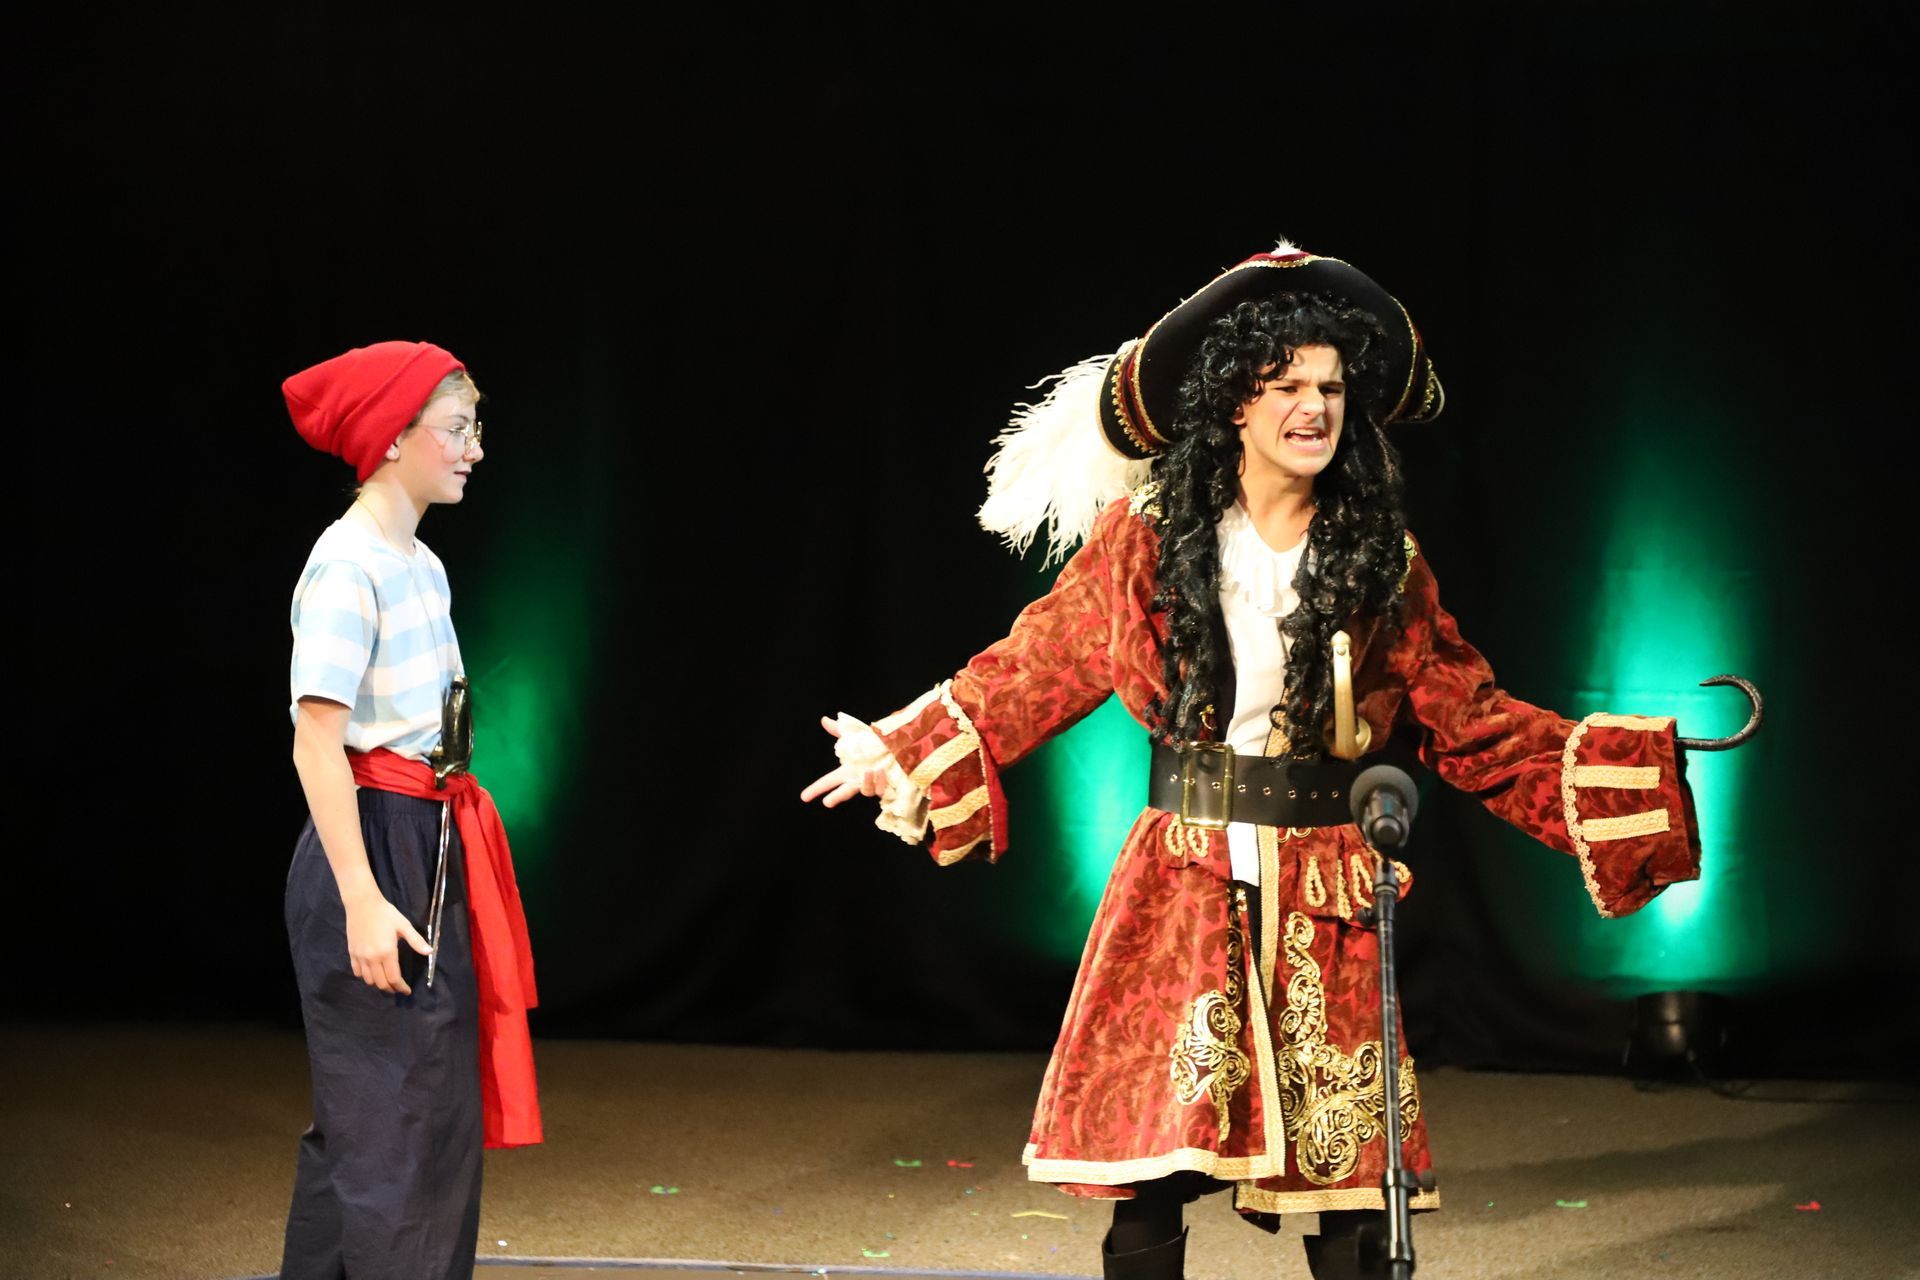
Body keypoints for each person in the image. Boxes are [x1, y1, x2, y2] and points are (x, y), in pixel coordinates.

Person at [802, 246, 1708, 1280]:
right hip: (1181, 883)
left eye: (1329, 386)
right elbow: (1037, 660)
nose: (1314, 407)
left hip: (1325, 886)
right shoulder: (1145, 539)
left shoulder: (1380, 556)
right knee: (1149, 1175)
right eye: (1287, 388)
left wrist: (1623, 770)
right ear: (1237, 403)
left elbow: (1470, 717)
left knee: (1353, 1191)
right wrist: (905, 743)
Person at [280, 341, 540, 1280]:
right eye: (457, 429)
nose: (473, 449)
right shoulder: (349, 567)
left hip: (430, 839)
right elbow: (319, 741)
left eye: (476, 429)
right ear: (394, 438)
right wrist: (359, 896)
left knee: (410, 1117)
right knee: (393, 1129)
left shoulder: (420, 565)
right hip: (375, 843)